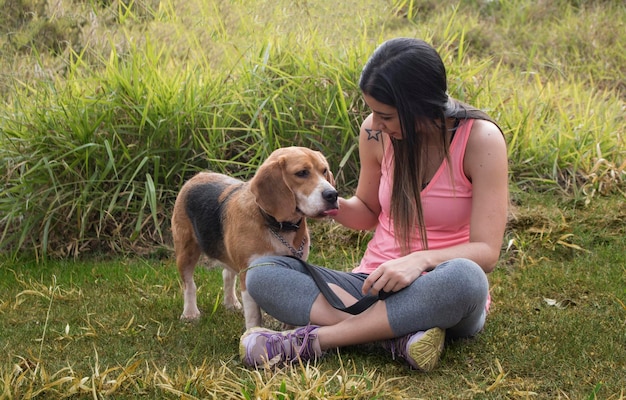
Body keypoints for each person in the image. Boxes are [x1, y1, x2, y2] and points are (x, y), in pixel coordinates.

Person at [238, 37, 509, 371]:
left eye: (386, 116)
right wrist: (320, 199)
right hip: (370, 283)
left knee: (467, 279)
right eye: (372, 113)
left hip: (439, 287)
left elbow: (486, 251)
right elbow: (367, 212)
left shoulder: (481, 140)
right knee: (262, 274)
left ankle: (312, 342)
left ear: (419, 107)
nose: (374, 125)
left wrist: (417, 261)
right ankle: (395, 335)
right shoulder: (375, 132)